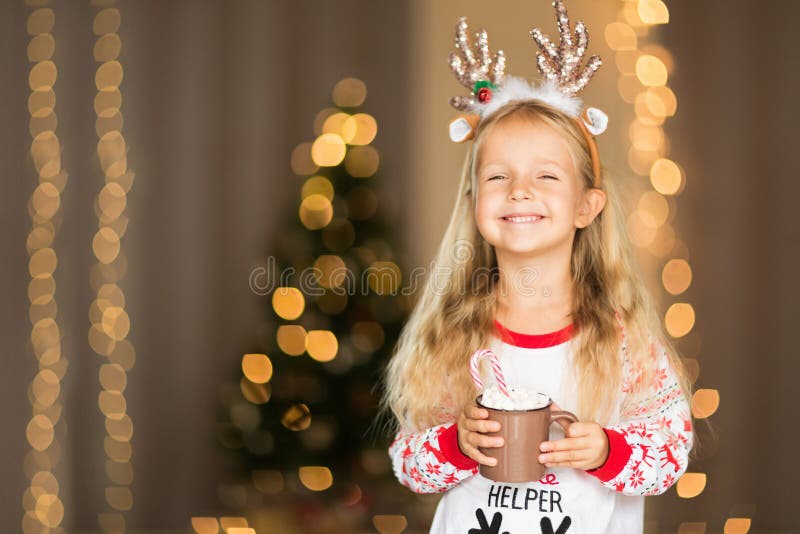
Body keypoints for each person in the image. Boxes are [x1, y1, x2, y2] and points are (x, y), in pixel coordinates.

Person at [380, 2, 695, 532]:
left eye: (546, 176)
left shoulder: (622, 339)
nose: (520, 190)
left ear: (585, 207)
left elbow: (669, 455)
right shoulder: (457, 331)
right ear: (475, 200)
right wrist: (455, 444)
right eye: (499, 177)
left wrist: (606, 451)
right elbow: (410, 464)